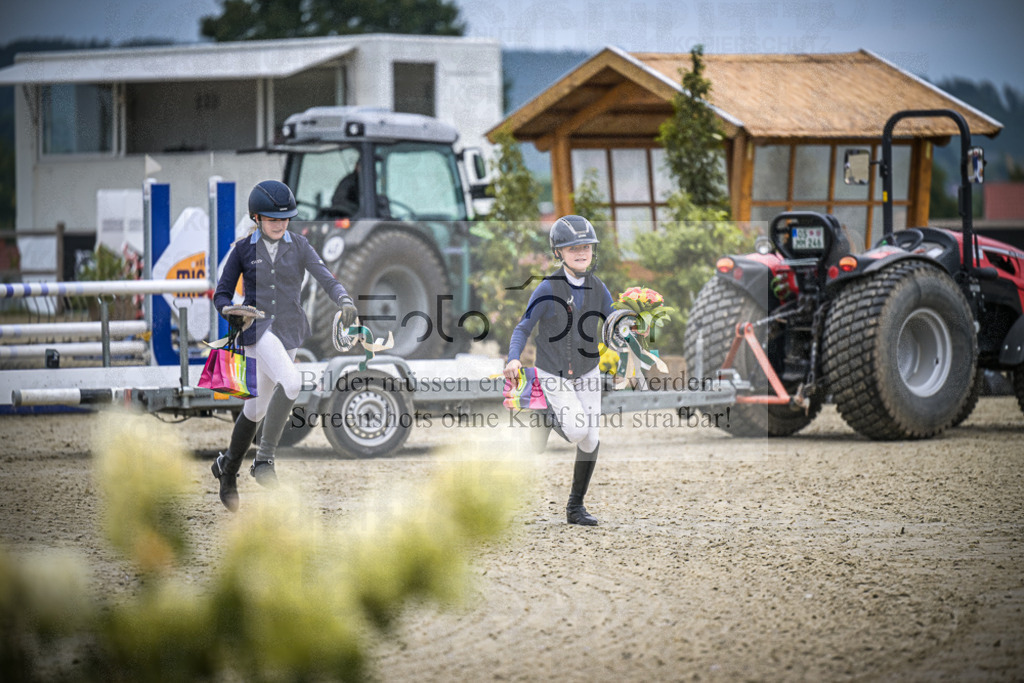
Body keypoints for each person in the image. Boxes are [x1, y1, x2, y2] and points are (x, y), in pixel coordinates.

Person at [211, 180, 358, 512]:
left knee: (257, 408)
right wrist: (228, 310)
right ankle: (264, 461)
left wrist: (344, 300)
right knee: (292, 381)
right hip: (257, 329)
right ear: (256, 218)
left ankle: (226, 467)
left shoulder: (301, 246)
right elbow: (221, 293)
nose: (279, 225)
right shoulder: (243, 249)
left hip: (289, 330)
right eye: (272, 219)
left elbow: (326, 278)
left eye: (285, 219)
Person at [503, 215, 613, 526]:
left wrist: (632, 328)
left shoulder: (597, 286)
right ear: (558, 253)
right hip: (553, 373)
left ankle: (575, 508)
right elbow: (523, 328)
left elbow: (613, 318)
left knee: (591, 440)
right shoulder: (547, 289)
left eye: (586, 247)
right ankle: (545, 414)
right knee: (578, 430)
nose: (581, 252)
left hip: (588, 371)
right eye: (573, 248)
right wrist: (513, 358)